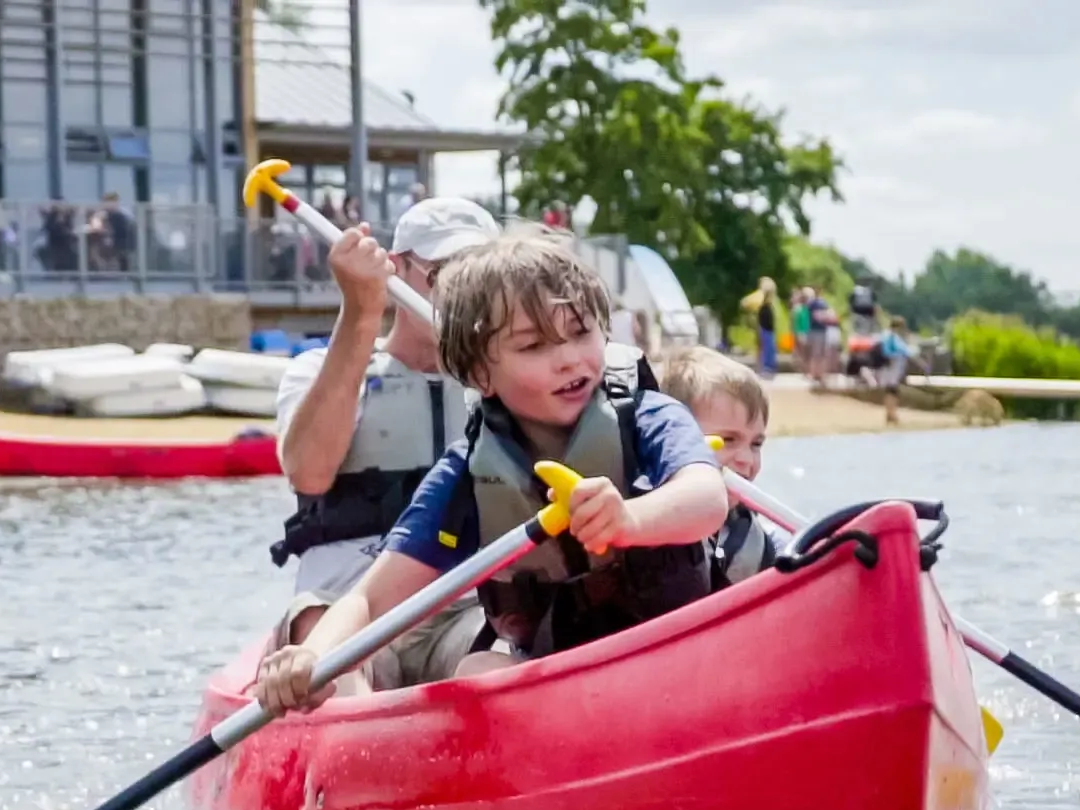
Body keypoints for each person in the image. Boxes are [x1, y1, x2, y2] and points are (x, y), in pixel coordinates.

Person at [255, 229, 728, 715]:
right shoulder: (467, 471)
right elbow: (371, 600)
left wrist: (630, 520)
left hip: (678, 650)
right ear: (481, 374)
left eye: (582, 332)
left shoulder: (650, 415)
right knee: (480, 672)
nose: (568, 358)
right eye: (533, 346)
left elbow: (706, 497)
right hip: (559, 675)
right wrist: (313, 656)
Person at [269, 196, 501, 693]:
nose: (462, 296)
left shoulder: (510, 383)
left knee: (507, 654)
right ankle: (350, 755)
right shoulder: (316, 370)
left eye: (478, 279)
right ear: (395, 272)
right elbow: (309, 472)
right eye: (443, 274)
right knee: (330, 653)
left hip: (468, 610)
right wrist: (360, 312)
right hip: (345, 610)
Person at [657, 346, 790, 588]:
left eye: (756, 444)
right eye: (728, 440)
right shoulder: (645, 527)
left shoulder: (771, 547)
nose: (746, 460)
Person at [875, 316, 919, 425]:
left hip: (887, 367)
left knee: (890, 390)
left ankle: (890, 414)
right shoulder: (891, 336)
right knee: (892, 390)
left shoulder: (886, 335)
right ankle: (891, 414)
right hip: (891, 367)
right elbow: (898, 350)